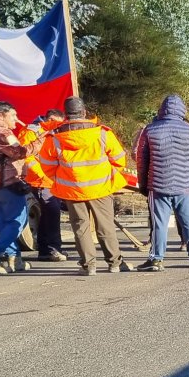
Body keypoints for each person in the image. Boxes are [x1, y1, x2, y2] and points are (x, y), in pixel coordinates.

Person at [38, 96, 132, 275]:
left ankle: (89, 266)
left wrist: (64, 177)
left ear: (66, 115)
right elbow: (119, 159)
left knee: (81, 228)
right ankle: (114, 263)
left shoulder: (55, 137)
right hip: (101, 188)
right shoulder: (102, 133)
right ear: (84, 112)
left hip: (73, 190)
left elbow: (46, 165)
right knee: (105, 226)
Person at [135, 94, 189, 271]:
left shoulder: (150, 130)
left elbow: (142, 161)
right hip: (185, 185)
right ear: (182, 110)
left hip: (158, 185)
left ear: (162, 109)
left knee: (159, 224)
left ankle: (157, 259)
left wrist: (142, 184)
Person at [0, 102, 45, 274]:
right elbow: (19, 152)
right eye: (13, 115)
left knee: (3, 224)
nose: (17, 119)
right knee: (18, 222)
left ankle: (15, 260)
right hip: (8, 183)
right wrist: (40, 141)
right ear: (0, 115)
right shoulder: (2, 132)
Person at [19, 109, 67, 261]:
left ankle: (46, 250)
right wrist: (42, 174)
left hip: (52, 180)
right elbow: (26, 156)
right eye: (54, 121)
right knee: (52, 213)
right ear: (48, 118)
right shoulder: (31, 132)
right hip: (40, 181)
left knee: (49, 215)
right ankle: (52, 249)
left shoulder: (52, 132)